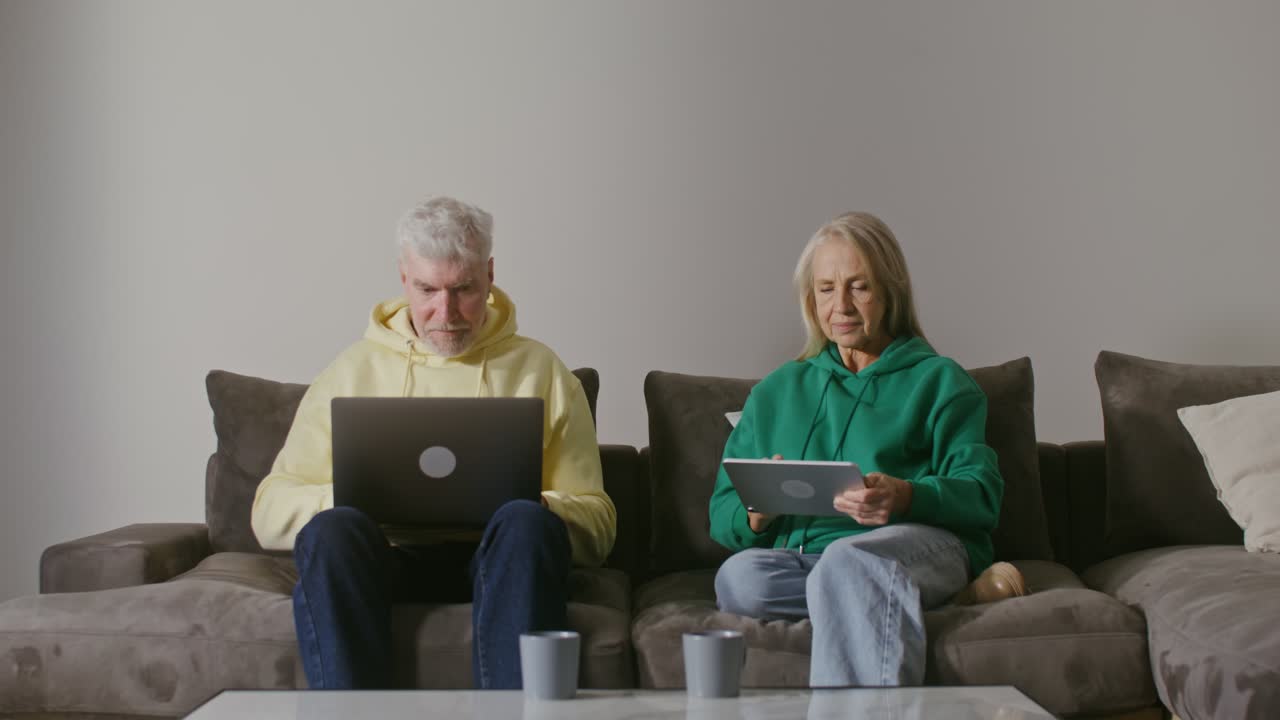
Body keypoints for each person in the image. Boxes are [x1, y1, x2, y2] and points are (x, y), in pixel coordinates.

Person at [251, 196, 615, 690]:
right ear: (404, 278)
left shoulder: (542, 371)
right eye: (427, 289)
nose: (445, 313)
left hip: (500, 560)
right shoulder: (350, 372)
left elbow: (598, 522)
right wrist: (352, 498)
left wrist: (533, 502)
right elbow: (269, 509)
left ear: (489, 275)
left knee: (527, 522)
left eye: (463, 289)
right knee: (332, 530)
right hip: (385, 558)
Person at [709, 211, 1026, 688]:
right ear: (809, 298)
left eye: (859, 286)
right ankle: (947, 599)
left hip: (916, 544)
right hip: (808, 559)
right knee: (739, 580)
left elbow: (982, 494)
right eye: (825, 288)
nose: (841, 305)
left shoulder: (941, 382)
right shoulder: (776, 391)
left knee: (851, 563)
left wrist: (906, 495)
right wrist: (760, 511)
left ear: (890, 292)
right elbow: (721, 514)